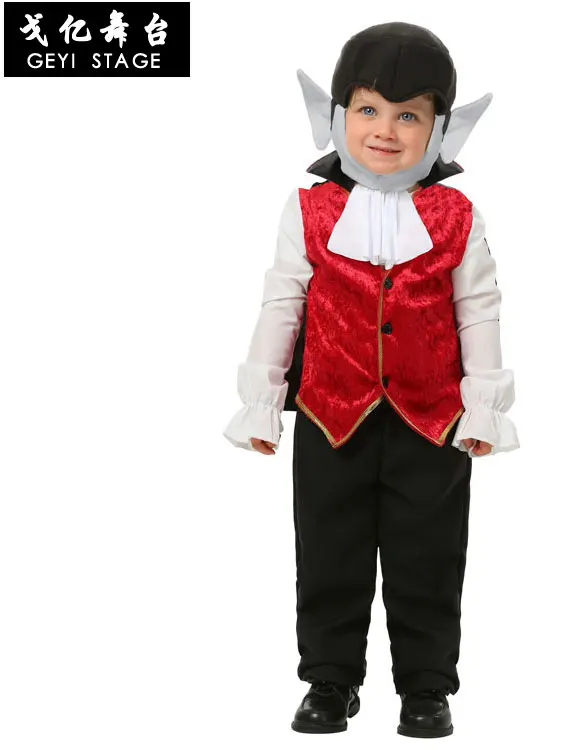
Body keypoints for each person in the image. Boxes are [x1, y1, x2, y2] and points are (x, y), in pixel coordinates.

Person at [223, 21, 520, 738]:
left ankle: (426, 687)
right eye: (368, 109)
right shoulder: (308, 208)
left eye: (408, 115)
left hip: (432, 419)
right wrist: (262, 400)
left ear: (440, 129)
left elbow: (478, 309)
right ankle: (330, 680)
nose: (385, 130)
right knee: (330, 551)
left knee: (429, 556)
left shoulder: (458, 215)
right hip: (331, 414)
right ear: (336, 115)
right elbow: (283, 301)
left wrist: (483, 407)